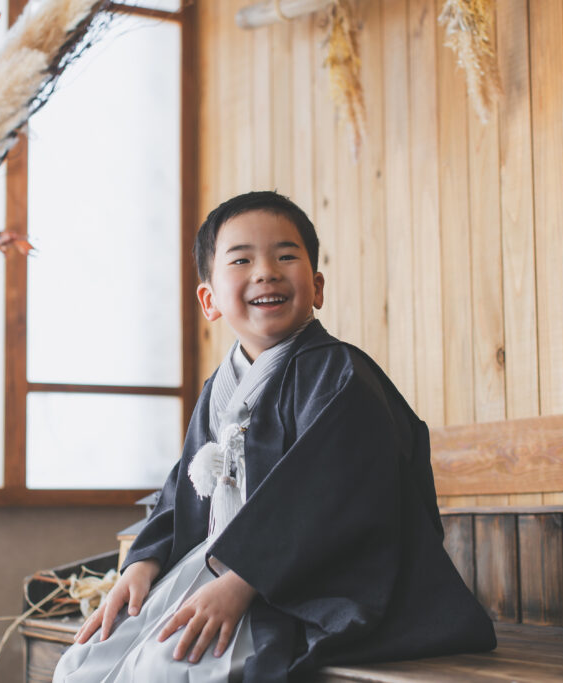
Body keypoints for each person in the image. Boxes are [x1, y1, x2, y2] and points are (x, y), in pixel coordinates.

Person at [53, 191, 495, 683]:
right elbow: (181, 491)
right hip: (219, 569)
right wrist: (143, 563)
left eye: (286, 256)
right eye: (242, 259)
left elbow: (329, 498)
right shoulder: (218, 390)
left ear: (317, 286)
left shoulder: (340, 375)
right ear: (209, 300)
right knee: (85, 661)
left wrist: (244, 582)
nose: (266, 271)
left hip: (299, 587)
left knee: (167, 666)